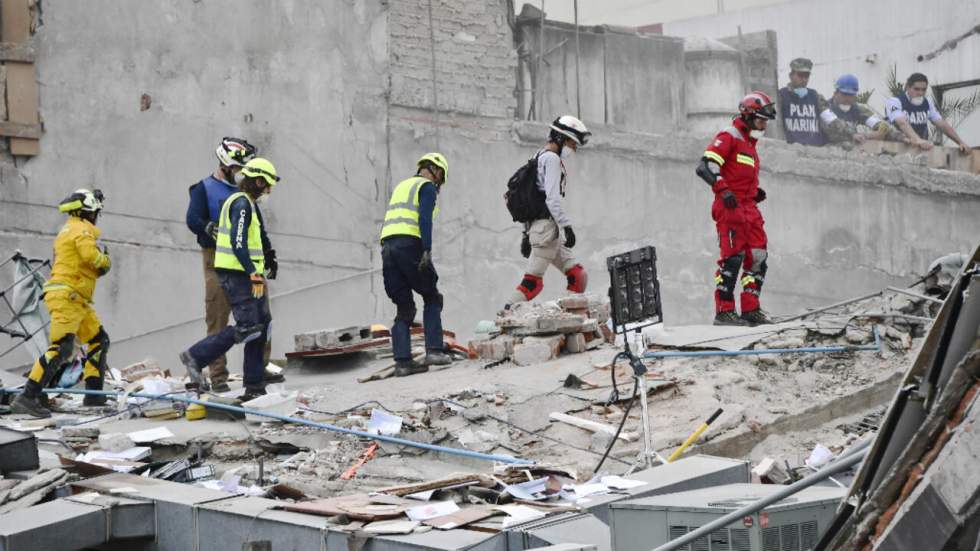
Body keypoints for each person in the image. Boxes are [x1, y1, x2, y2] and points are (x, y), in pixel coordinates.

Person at [185, 138, 281, 392]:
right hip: (224, 262)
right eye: (239, 168)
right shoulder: (206, 189)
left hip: (249, 263)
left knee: (261, 321)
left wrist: (268, 256)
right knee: (225, 318)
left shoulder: (245, 198)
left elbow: (257, 231)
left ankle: (255, 380)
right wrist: (207, 228)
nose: (242, 173)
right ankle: (215, 373)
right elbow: (194, 219)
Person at [12, 189, 113, 418]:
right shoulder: (82, 229)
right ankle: (28, 397)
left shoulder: (67, 229)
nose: (97, 216)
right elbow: (92, 258)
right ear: (89, 211)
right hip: (68, 296)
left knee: (99, 340)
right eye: (96, 212)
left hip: (76, 298)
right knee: (62, 347)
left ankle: (93, 395)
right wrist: (105, 259)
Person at [696, 92, 776, 326]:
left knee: (758, 257)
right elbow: (705, 166)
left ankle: (751, 309)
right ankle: (724, 311)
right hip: (729, 207)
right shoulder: (729, 136)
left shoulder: (750, 144)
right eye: (761, 120)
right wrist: (724, 190)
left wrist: (754, 192)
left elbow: (739, 174)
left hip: (748, 207)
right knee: (732, 259)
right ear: (748, 116)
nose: (764, 125)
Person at [379, 153, 452, 377]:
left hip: (387, 248)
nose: (439, 183)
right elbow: (424, 219)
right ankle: (434, 351)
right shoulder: (426, 187)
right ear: (437, 171)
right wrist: (427, 250)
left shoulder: (403, 186)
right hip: (410, 245)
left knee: (405, 307)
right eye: (441, 177)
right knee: (432, 296)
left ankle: (403, 362)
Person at [507, 115, 591, 306]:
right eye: (572, 143)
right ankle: (504, 317)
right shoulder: (551, 159)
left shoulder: (538, 156)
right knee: (531, 284)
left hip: (544, 230)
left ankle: (566, 317)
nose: (574, 148)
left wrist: (525, 234)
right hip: (546, 230)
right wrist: (567, 227)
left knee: (577, 276)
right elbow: (552, 199)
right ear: (561, 138)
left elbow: (532, 199)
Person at [885, 73, 971, 153]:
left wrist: (960, 142)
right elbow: (901, 123)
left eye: (923, 90)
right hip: (895, 148)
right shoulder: (895, 102)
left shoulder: (927, 102)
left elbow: (941, 123)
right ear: (908, 87)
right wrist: (917, 140)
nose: (920, 93)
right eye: (916, 89)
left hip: (919, 150)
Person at [777, 57, 841, 146]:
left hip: (815, 151)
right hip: (791, 150)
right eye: (800, 75)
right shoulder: (781, 96)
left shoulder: (816, 96)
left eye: (806, 76)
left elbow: (831, 120)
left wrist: (851, 133)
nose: (804, 79)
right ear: (791, 75)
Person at [824, 74, 894, 145]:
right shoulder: (825, 109)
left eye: (851, 95)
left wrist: (884, 131)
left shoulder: (857, 110)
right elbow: (835, 132)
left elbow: (878, 124)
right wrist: (857, 136)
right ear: (835, 93)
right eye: (844, 94)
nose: (847, 98)